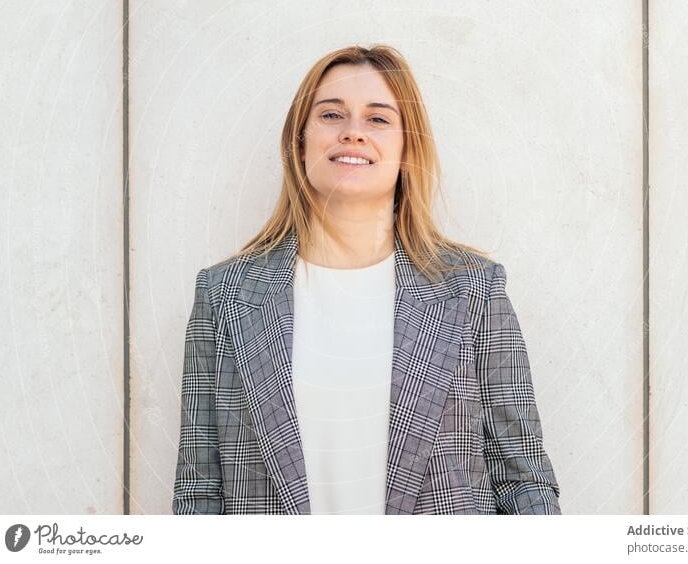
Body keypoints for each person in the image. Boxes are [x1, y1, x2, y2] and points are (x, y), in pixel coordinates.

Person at [172, 44, 561, 515]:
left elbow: (523, 484)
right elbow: (198, 495)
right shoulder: (224, 297)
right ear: (300, 141)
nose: (353, 133)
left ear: (405, 149)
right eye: (332, 114)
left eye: (378, 119)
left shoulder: (472, 290)